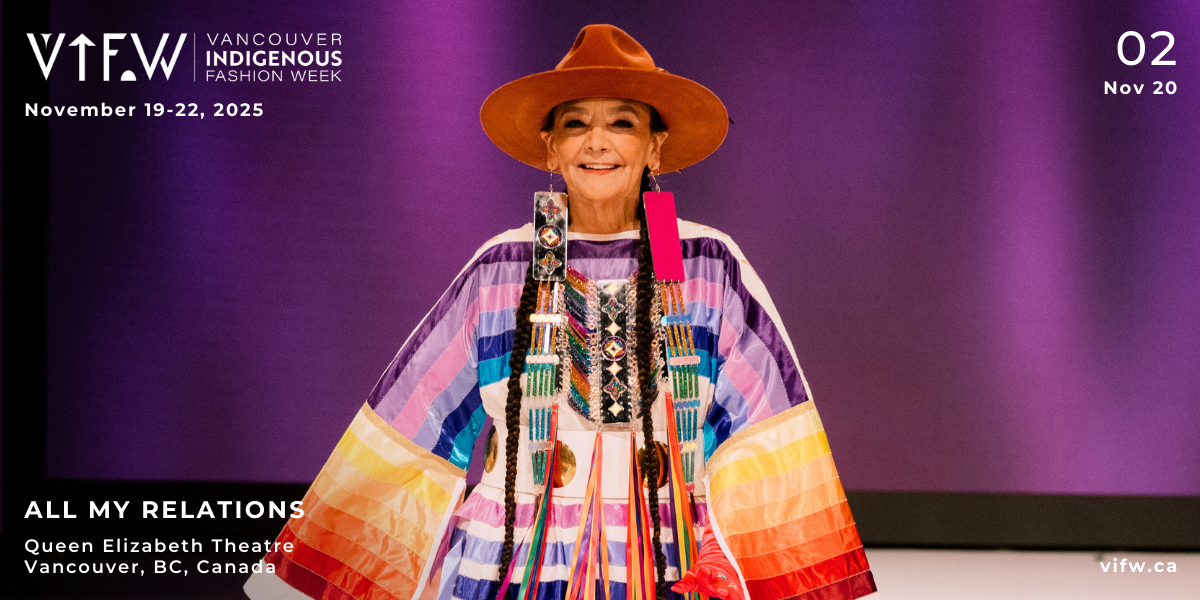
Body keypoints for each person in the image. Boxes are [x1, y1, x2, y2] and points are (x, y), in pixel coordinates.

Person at [245, 24, 876, 600]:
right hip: (511, 561)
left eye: (622, 123)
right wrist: (330, 551)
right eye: (576, 124)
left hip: (662, 558)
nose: (597, 143)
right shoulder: (501, 268)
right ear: (550, 148)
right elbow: (421, 415)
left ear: (655, 146)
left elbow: (764, 427)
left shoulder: (709, 264)